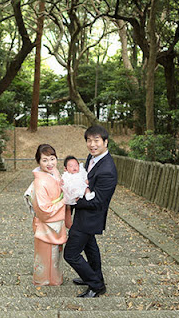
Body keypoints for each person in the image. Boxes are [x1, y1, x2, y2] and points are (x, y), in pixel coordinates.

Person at [64, 125, 118, 298]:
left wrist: (70, 201)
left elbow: (98, 201)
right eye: (89, 140)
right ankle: (95, 276)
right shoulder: (93, 157)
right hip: (84, 215)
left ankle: (96, 284)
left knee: (70, 254)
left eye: (96, 140)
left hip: (90, 217)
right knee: (90, 248)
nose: (92, 144)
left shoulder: (108, 170)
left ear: (105, 142)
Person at [31, 144, 67, 286]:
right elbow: (44, 209)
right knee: (46, 255)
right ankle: (43, 282)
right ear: (39, 162)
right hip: (46, 225)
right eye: (45, 160)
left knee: (55, 255)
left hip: (56, 224)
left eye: (52, 159)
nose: (50, 163)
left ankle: (55, 280)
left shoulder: (55, 173)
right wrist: (64, 201)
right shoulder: (39, 182)